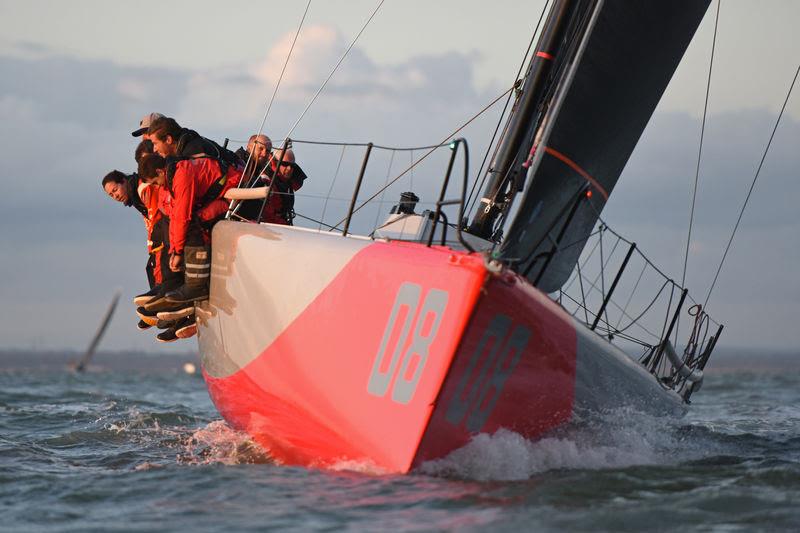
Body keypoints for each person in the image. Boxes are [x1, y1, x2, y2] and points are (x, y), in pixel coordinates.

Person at [137, 153, 242, 306]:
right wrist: (174, 251)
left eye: (155, 182)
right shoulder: (170, 180)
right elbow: (173, 217)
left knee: (193, 224)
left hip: (228, 193)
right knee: (172, 223)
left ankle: (197, 286)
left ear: (160, 172)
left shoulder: (181, 175)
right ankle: (182, 282)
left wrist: (178, 252)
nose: (156, 187)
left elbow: (182, 216)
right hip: (213, 198)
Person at [259, 148, 307, 225]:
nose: (289, 168)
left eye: (292, 165)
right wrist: (285, 226)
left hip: (281, 224)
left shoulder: (288, 183)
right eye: (285, 164)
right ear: (274, 162)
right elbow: (266, 214)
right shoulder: (265, 180)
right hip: (266, 226)